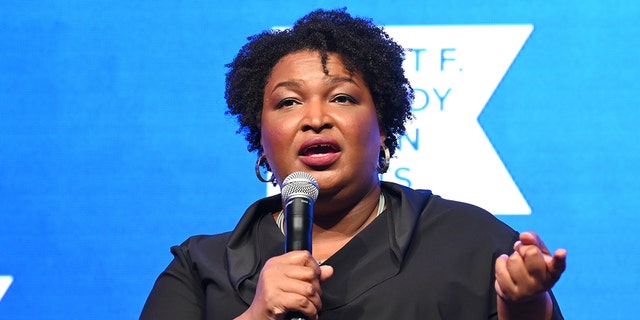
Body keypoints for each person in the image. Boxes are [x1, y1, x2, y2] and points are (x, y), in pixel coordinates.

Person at [140, 8, 567, 320]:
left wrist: (524, 306)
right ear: (261, 137)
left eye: (342, 97)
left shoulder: (471, 243)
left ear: (383, 127)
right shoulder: (201, 267)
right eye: (288, 102)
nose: (315, 118)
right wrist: (257, 315)